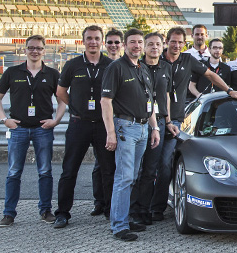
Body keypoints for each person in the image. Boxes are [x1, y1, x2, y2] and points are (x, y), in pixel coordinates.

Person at [156, 28, 237, 222]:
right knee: (146, 166)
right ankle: (140, 208)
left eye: (180, 42)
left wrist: (229, 91)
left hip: (176, 120)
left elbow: (211, 76)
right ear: (167, 41)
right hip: (153, 119)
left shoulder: (188, 60)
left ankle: (157, 207)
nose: (176, 45)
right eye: (173, 42)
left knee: (164, 164)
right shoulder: (157, 60)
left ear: (184, 43)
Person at [0, 35, 64, 227]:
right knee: (14, 172)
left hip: (43, 129)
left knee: (45, 171)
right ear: (25, 50)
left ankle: (45, 210)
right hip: (19, 129)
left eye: (39, 48)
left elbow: (63, 99)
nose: (35, 51)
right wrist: (4, 120)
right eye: (31, 48)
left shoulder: (51, 74)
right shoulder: (12, 72)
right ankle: (9, 214)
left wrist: (56, 120)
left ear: (44, 51)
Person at [100, 28, 160, 241]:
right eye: (132, 42)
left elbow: (150, 102)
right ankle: (119, 226)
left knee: (132, 176)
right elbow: (105, 101)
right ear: (125, 45)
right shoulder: (116, 68)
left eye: (139, 42)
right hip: (125, 127)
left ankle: (123, 217)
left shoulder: (142, 68)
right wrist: (111, 133)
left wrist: (154, 127)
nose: (137, 46)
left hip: (143, 128)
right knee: (124, 178)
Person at [52, 26, 114, 229]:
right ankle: (62, 213)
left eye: (97, 38)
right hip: (79, 123)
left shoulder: (111, 65)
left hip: (103, 124)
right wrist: (74, 106)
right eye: (89, 38)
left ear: (102, 41)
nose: (93, 42)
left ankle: (109, 209)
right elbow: (60, 91)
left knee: (108, 170)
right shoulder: (73, 65)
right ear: (83, 41)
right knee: (69, 170)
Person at [130, 32, 173, 226]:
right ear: (144, 47)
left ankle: (145, 209)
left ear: (162, 46)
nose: (154, 47)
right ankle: (134, 209)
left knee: (151, 169)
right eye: (150, 44)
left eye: (158, 44)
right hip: (140, 122)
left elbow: (167, 95)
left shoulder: (167, 67)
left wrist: (169, 120)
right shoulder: (137, 67)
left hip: (160, 124)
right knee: (136, 169)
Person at [92, 28, 123, 216]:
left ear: (122, 44)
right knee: (101, 165)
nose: (113, 46)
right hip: (103, 122)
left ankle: (114, 204)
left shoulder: (129, 63)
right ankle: (100, 202)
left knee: (119, 166)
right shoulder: (101, 65)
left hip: (124, 120)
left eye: (116, 42)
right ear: (105, 44)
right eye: (110, 42)